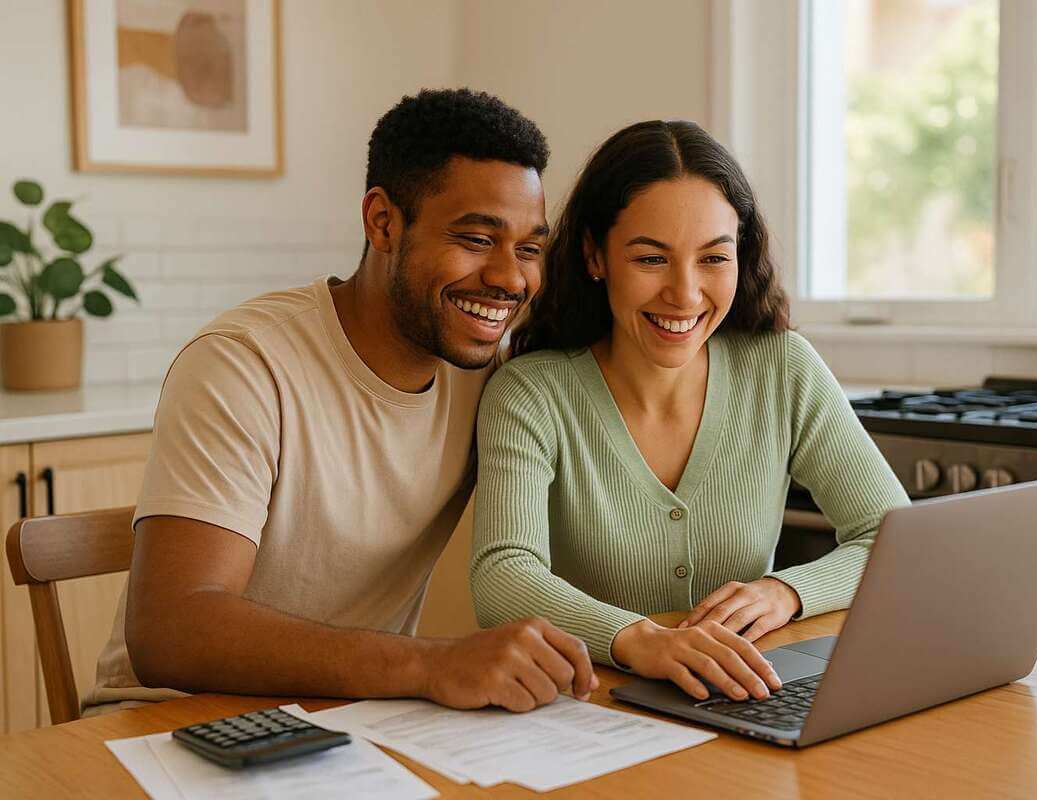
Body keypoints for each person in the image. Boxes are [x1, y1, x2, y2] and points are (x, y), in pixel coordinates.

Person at [84, 89, 596, 717]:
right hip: (165, 724)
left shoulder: (488, 373)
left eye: (528, 248)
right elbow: (172, 630)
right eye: (474, 238)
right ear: (383, 222)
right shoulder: (244, 363)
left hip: (352, 721)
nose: (510, 278)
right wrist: (432, 664)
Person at [471, 119, 909, 704]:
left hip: (749, 700)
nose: (685, 293)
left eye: (713, 258)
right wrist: (637, 638)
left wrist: (786, 592)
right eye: (651, 259)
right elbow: (503, 575)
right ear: (594, 255)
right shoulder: (531, 393)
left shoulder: (783, 368)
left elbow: (892, 536)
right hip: (597, 711)